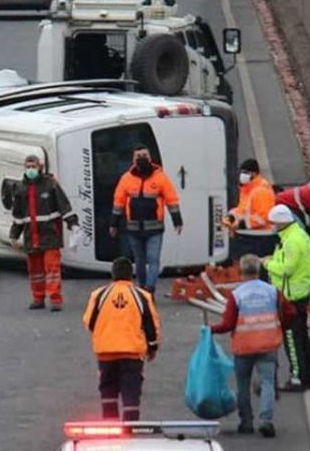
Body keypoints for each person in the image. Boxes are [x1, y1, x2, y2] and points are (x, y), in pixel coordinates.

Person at [210, 255, 297, 438]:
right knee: (267, 382)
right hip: (268, 343)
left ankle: (246, 422)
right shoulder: (272, 291)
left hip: (244, 347)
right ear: (259, 271)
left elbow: (228, 324)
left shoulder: (237, 295)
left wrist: (210, 330)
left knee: (243, 385)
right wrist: (281, 325)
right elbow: (290, 312)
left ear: (241, 273)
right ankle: (266, 420)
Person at [82, 257, 162, 422]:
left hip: (105, 353)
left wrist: (104, 334)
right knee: (131, 391)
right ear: (131, 276)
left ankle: (110, 427)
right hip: (132, 353)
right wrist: (152, 347)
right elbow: (151, 325)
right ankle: (130, 428)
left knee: (108, 389)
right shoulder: (142, 296)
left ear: (112, 275)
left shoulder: (99, 295)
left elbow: (89, 322)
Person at [7, 155, 78, 311]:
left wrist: (73, 224)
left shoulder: (50, 185)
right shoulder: (20, 188)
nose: (31, 169)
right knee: (35, 271)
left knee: (52, 269)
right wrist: (14, 235)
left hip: (50, 234)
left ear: (40, 167)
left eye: (33, 166)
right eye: (28, 166)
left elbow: (64, 206)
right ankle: (38, 298)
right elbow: (18, 216)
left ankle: (55, 299)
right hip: (31, 236)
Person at [109, 146, 183, 293]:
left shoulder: (161, 178)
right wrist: (114, 224)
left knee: (153, 259)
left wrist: (177, 220)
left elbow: (171, 199)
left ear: (150, 158)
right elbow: (118, 202)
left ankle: (149, 289)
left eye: (145, 155)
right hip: (133, 228)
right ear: (133, 160)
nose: (142, 158)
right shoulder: (126, 179)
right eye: (139, 156)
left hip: (154, 228)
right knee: (140, 262)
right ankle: (142, 288)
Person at [263, 205, 310, 392]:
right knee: (302, 338)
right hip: (300, 293)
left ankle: (297, 378)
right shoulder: (298, 236)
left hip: (290, 296)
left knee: (292, 339)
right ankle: (308, 376)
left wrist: (268, 263)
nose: (273, 227)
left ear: (281, 223)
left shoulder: (291, 242)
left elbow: (286, 269)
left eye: (274, 224)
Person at [228, 158, 274, 231]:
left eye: (246, 172)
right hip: (251, 233)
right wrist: (232, 215)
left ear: (254, 173)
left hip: (261, 235)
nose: (242, 175)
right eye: (242, 172)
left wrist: (242, 223)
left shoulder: (261, 190)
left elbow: (264, 217)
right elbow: (243, 210)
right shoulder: (248, 189)